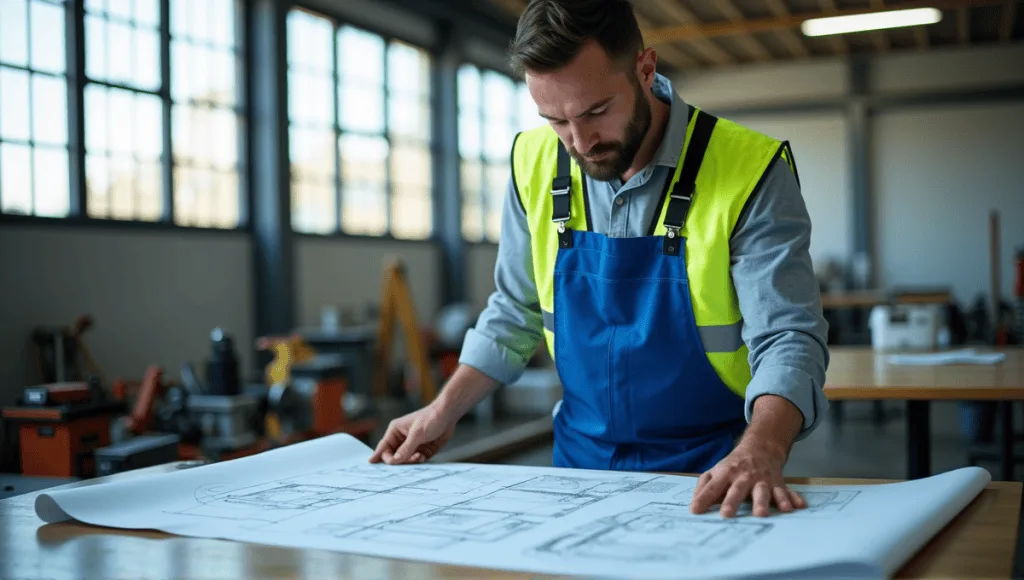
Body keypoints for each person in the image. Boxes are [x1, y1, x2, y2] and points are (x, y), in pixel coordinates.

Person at [370, 0, 830, 519]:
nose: (580, 142)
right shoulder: (532, 161)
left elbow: (788, 336)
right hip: (577, 472)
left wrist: (763, 449)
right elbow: (515, 311)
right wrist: (442, 409)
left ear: (646, 68)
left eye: (595, 111)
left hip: (716, 473)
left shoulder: (750, 171)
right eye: (555, 120)